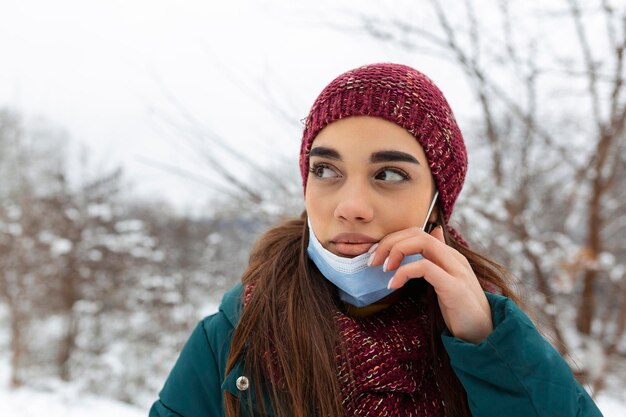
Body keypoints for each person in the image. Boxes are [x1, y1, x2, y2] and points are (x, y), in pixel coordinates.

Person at [149, 63, 604, 417]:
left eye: (388, 174)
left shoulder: (489, 335)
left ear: (436, 203)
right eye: (326, 170)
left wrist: (488, 342)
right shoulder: (233, 337)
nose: (351, 205)